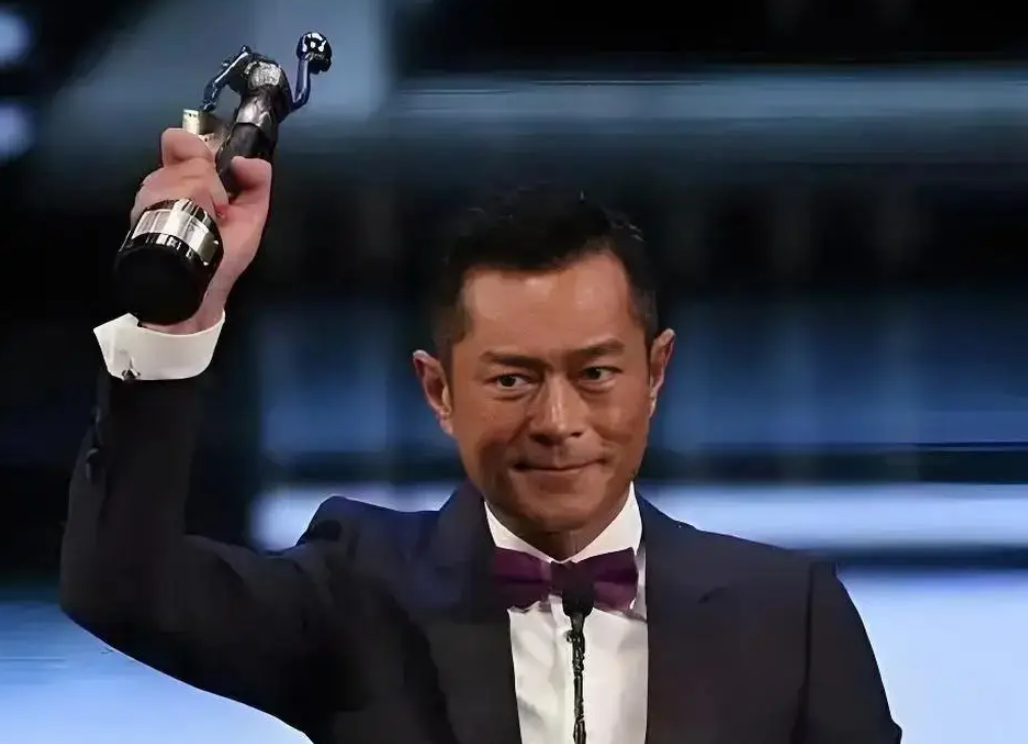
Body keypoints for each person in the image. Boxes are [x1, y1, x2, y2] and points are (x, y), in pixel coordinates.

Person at [60, 128, 902, 744]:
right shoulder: (358, 594)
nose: (558, 423)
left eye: (596, 373)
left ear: (656, 373)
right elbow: (123, 588)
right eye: (512, 380)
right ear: (439, 391)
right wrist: (175, 315)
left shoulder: (789, 615)